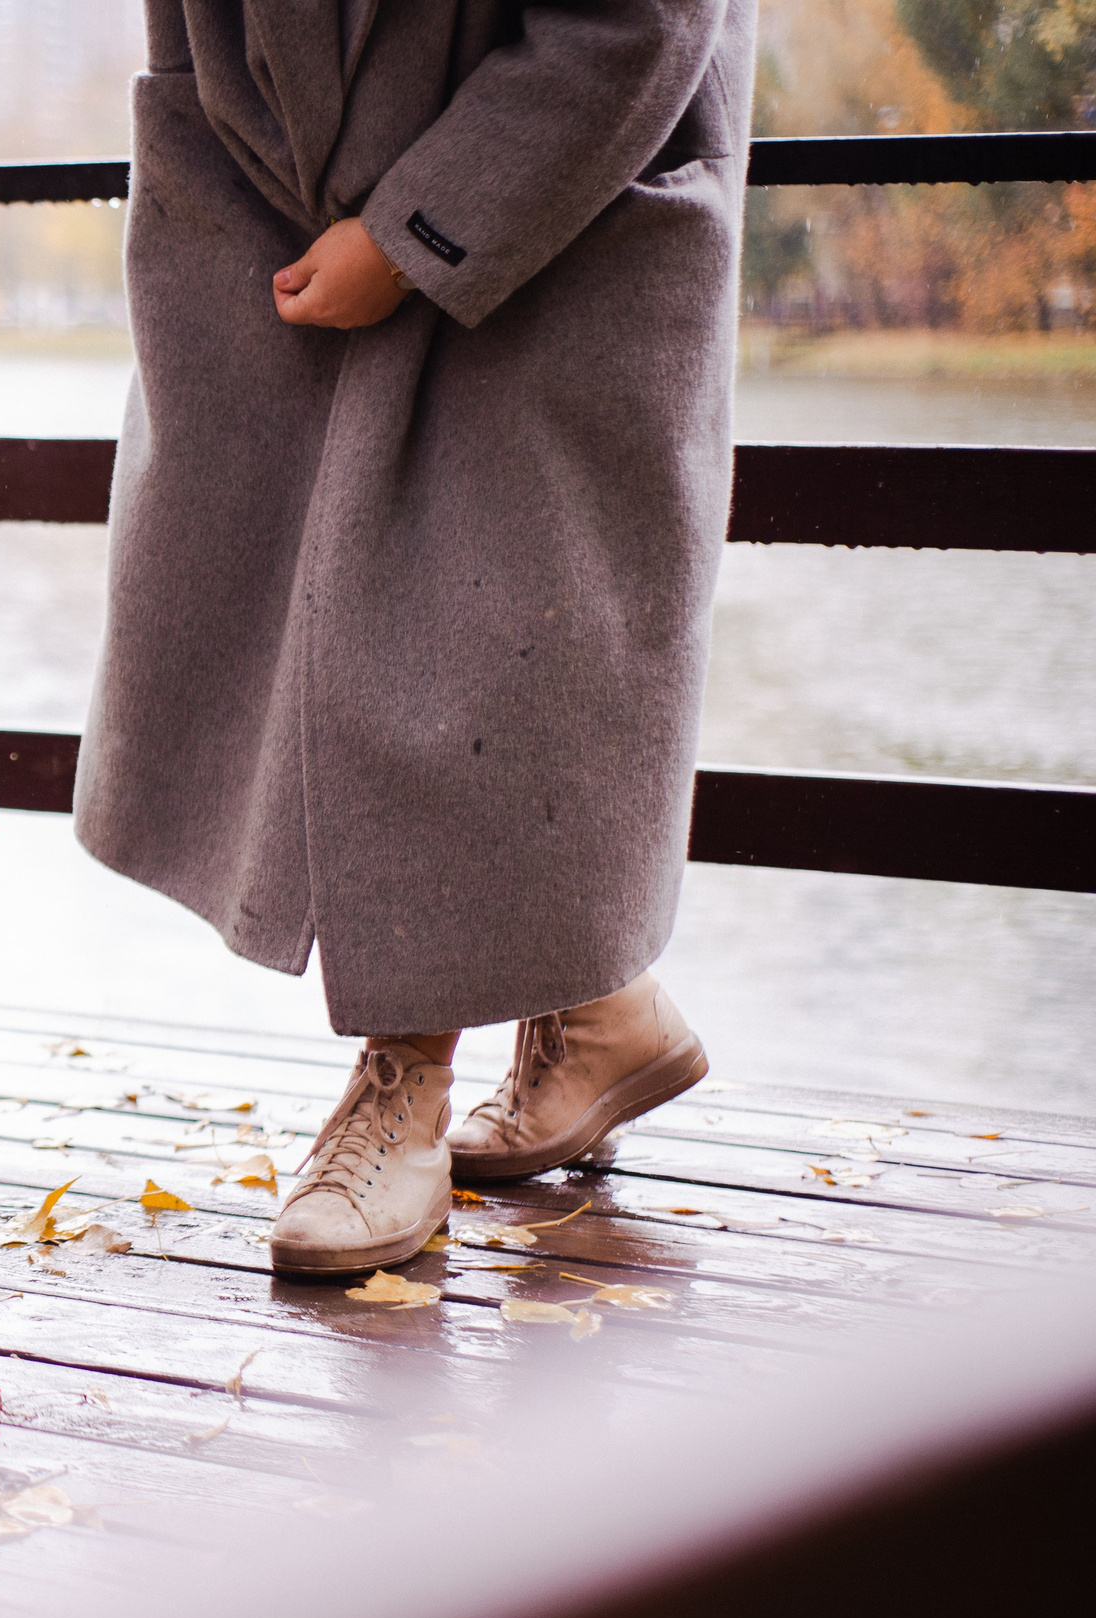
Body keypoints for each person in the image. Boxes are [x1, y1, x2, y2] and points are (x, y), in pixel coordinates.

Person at [75, 1, 756, 1275]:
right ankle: (596, 1013)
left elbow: (637, 17)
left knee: (477, 637)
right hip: (274, 201)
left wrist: (414, 231)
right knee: (388, 624)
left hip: (568, 208)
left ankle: (405, 1081)